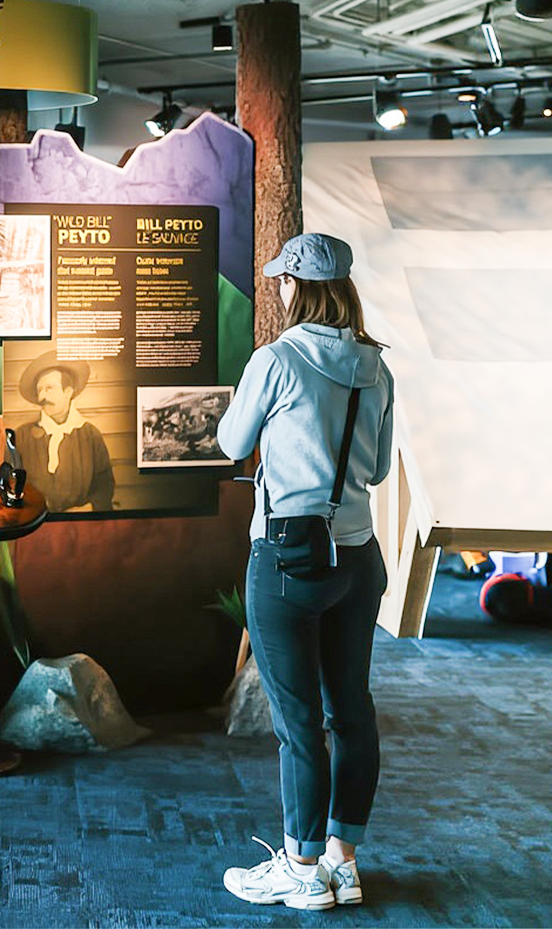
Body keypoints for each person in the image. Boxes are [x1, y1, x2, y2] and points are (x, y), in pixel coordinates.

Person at [215, 232, 395, 911]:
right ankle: (342, 865)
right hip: (358, 555)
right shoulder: (376, 365)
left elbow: (234, 442)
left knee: (297, 724)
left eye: (282, 281)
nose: (279, 291)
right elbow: (375, 470)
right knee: (351, 711)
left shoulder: (277, 357)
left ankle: (299, 867)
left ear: (295, 285)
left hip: (290, 557)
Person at [13, 357, 114, 512]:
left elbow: (104, 486)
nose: (42, 397)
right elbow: (11, 483)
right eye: (39, 390)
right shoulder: (21, 436)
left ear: (68, 392)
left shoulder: (89, 435)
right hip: (34, 527)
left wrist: (88, 509)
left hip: (81, 527)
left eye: (49, 388)